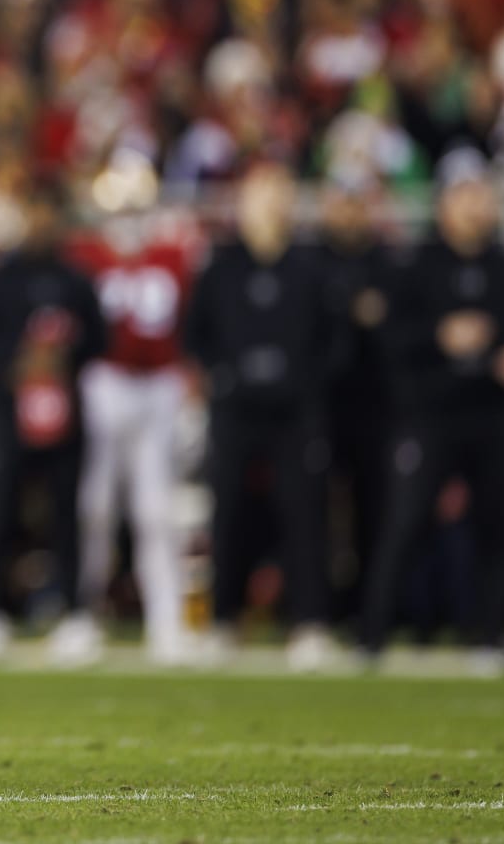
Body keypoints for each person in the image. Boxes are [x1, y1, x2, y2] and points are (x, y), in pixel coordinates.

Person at [360, 150, 504, 672]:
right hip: (432, 413)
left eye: (482, 193)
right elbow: (390, 340)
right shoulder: (418, 264)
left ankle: (491, 635)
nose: (477, 205)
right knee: (405, 521)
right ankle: (373, 633)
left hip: (494, 412)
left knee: (500, 526)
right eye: (466, 194)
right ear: (446, 203)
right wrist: (439, 336)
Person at [183, 160, 343, 670]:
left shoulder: (312, 264)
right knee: (228, 512)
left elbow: (337, 339)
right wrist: (221, 376)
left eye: (281, 191)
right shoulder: (222, 264)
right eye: (262, 191)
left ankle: (309, 623)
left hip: (296, 411)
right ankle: (223, 620)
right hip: (235, 410)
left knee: (303, 514)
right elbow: (196, 333)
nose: (273, 202)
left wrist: (307, 381)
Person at [0, 183, 107, 665]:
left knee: (67, 513)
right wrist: (14, 364)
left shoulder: (76, 280)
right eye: (35, 210)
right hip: (8, 413)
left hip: (67, 415)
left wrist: (63, 360)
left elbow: (99, 342)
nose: (42, 221)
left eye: (50, 211)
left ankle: (74, 612)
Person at [67, 183, 197, 665]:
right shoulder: (87, 256)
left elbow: (187, 322)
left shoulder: (173, 255)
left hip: (160, 385)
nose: (129, 219)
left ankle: (167, 622)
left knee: (156, 511)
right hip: (105, 382)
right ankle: (84, 614)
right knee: (94, 507)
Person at [314, 169, 394, 627]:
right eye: (341, 201)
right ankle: (318, 609)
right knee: (315, 512)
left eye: (357, 202)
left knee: (375, 510)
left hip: (377, 404)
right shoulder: (309, 260)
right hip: (319, 405)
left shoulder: (387, 260)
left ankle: (370, 609)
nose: (348, 212)